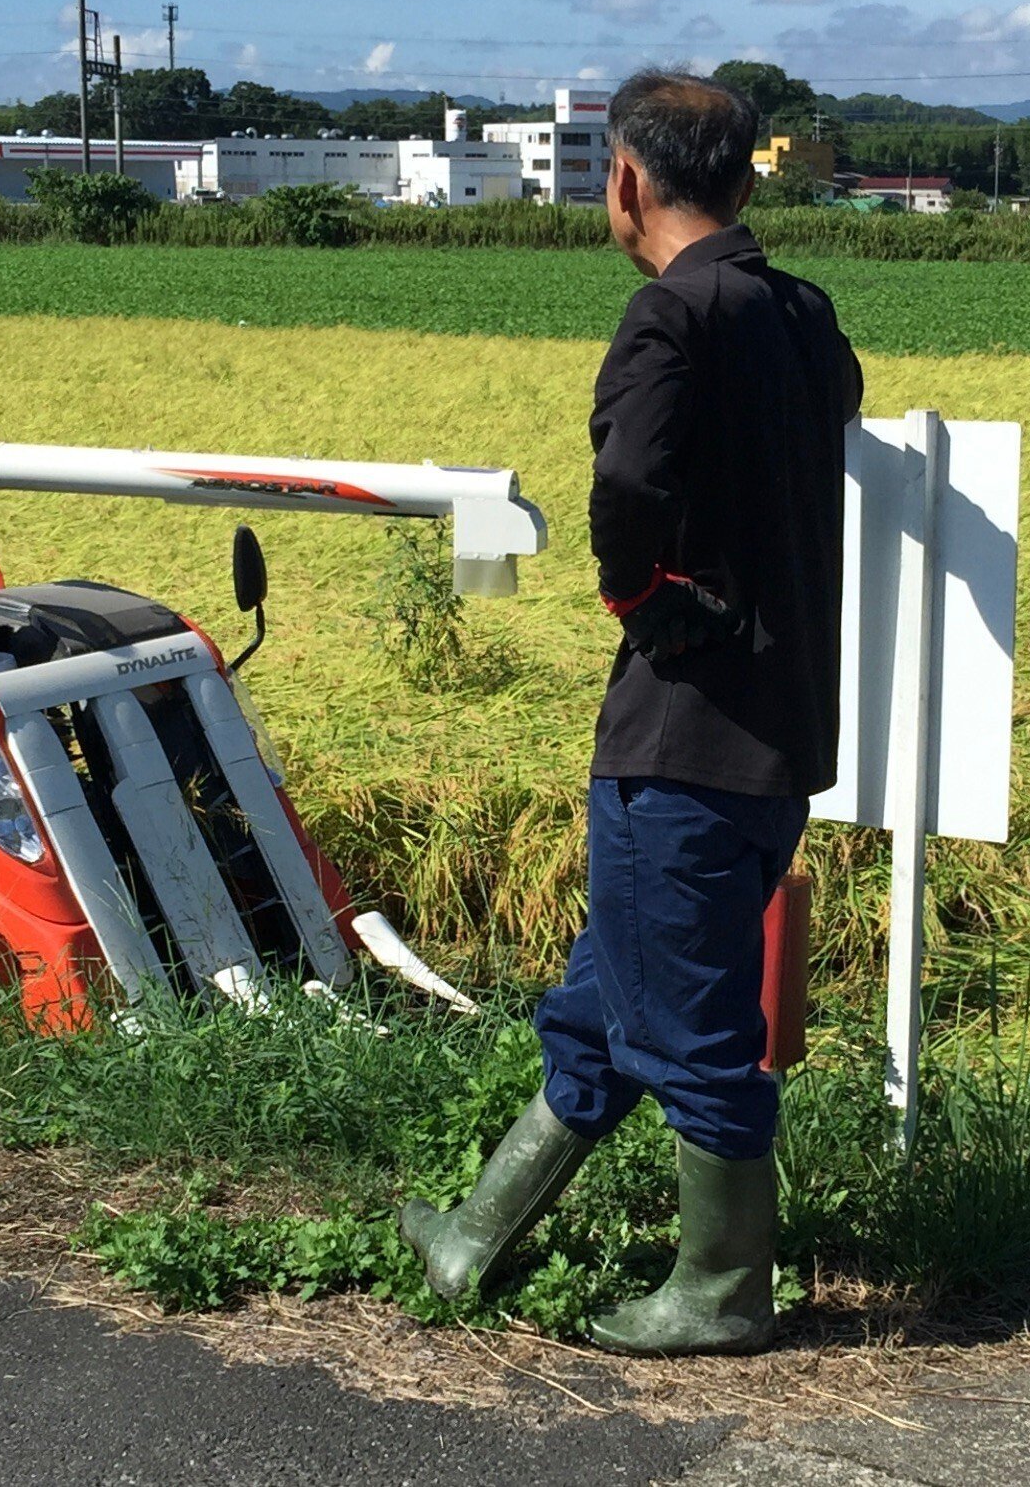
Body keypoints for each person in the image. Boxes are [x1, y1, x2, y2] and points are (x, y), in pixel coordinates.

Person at [400, 71, 862, 1356]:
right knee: (606, 997)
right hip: (779, 735)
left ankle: (721, 1289)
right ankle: (475, 1234)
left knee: (692, 1024)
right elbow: (826, 423)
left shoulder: (670, 314)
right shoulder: (801, 310)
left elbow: (627, 477)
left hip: (683, 738)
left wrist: (640, 593)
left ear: (625, 179)